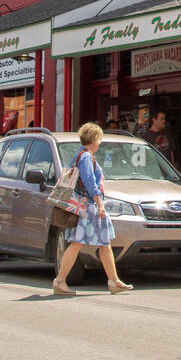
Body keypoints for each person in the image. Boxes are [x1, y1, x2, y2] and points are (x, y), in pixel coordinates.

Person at [53, 123, 133, 295]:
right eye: (100, 139)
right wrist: (99, 203)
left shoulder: (81, 155)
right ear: (94, 139)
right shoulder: (86, 157)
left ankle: (114, 280)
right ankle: (60, 281)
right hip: (89, 206)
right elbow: (90, 182)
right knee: (78, 243)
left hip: (87, 206)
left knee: (103, 243)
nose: (100, 142)